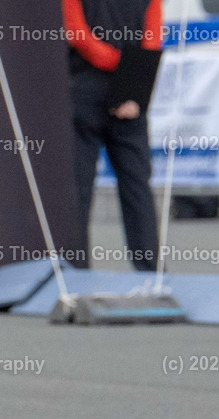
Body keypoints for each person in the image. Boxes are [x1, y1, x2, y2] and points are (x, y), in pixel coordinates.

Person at [64, 0, 162, 271]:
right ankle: (150, 270)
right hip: (129, 90)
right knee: (137, 184)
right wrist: (130, 77)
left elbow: (75, 32)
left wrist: (111, 60)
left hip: (84, 89)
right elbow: (152, 36)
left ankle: (75, 270)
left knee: (79, 188)